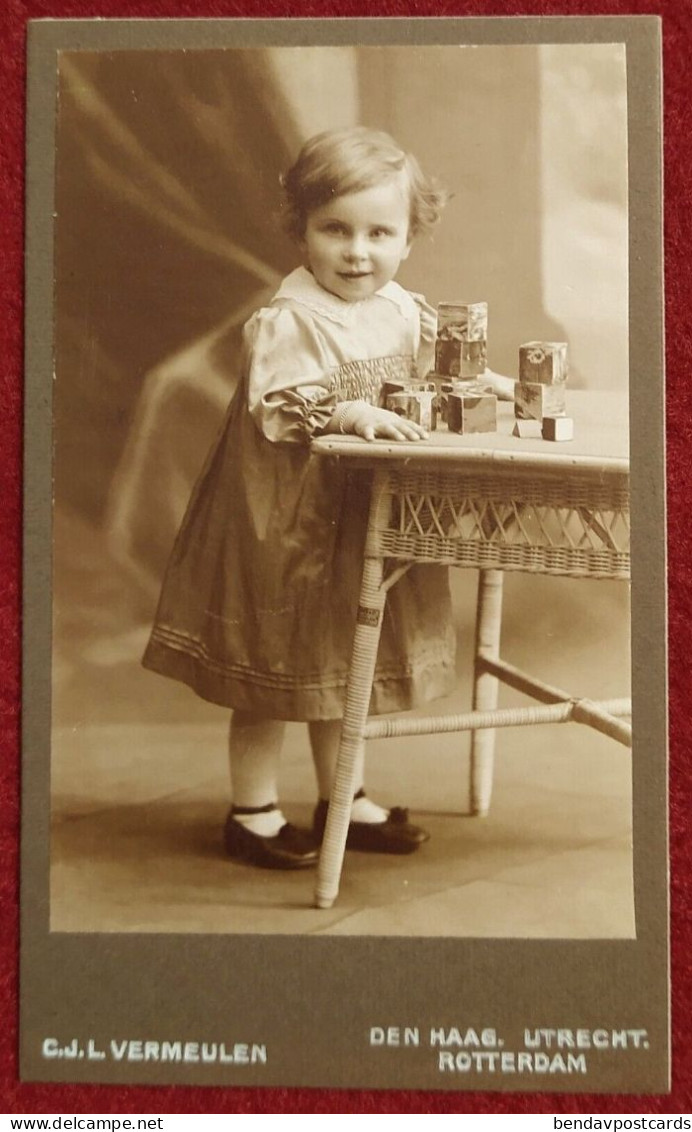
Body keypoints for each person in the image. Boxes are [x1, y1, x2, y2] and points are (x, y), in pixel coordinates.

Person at [143, 126, 512, 870]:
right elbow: (279, 404)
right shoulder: (291, 317)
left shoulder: (400, 307)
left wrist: (494, 383)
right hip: (284, 516)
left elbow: (445, 364)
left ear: (409, 239)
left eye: (380, 232)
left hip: (360, 511)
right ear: (302, 230)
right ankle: (252, 812)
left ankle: (346, 795)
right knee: (280, 663)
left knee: (349, 659)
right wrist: (349, 412)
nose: (357, 252)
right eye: (334, 230)